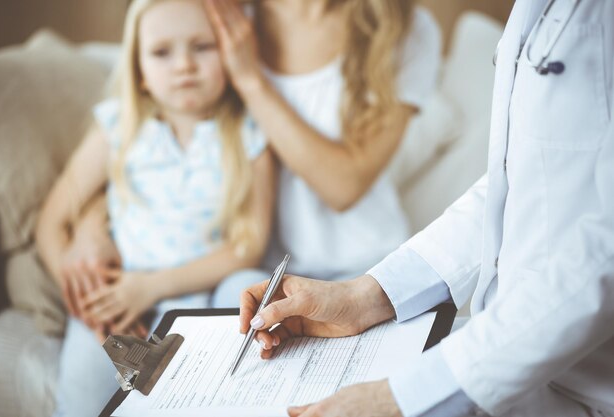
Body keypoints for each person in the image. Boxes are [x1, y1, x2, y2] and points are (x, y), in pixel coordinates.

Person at [239, 1, 614, 416]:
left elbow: (606, 250)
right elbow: (521, 181)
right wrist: (364, 295)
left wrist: (401, 397)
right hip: (517, 368)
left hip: (588, 386)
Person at [35, 0, 275, 415]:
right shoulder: (118, 127)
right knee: (81, 402)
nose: (184, 64)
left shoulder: (249, 133)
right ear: (139, 70)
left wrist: (154, 286)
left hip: (200, 292)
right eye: (162, 52)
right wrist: (90, 305)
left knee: (251, 282)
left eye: (202, 46)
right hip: (122, 302)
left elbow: (249, 246)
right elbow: (51, 224)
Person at [205, 0, 441, 280]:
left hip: (367, 266)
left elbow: (344, 187)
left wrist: (251, 83)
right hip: (256, 272)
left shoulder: (404, 29)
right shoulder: (222, 17)